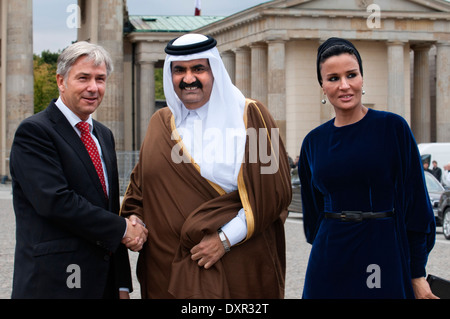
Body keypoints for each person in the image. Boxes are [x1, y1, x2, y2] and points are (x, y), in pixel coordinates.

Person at [120, 33, 292, 298]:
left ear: (215, 71)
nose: (188, 78)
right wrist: (134, 221)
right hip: (165, 270)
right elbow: (140, 191)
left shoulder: (252, 117)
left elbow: (273, 192)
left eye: (198, 68)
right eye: (179, 70)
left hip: (236, 264)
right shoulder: (160, 123)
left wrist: (224, 240)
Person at [298, 37, 436, 299]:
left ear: (362, 78)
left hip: (381, 251)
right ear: (322, 86)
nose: (344, 85)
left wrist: (416, 273)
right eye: (333, 78)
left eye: (352, 74)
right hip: (329, 257)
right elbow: (312, 211)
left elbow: (417, 205)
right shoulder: (313, 142)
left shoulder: (392, 128)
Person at [10, 41, 148, 299]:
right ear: (61, 81)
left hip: (102, 286)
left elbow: (109, 209)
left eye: (100, 79)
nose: (93, 88)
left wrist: (121, 284)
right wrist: (123, 228)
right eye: (83, 78)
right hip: (54, 284)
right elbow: (55, 201)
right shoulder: (35, 132)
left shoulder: (103, 136)